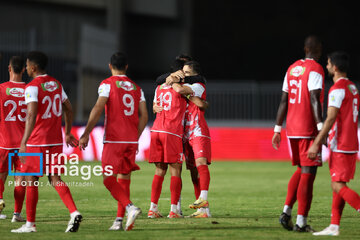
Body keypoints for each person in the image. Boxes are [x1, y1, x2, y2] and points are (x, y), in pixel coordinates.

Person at [11, 51, 81, 233]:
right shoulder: (56, 84)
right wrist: (67, 132)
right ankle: (74, 212)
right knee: (55, 178)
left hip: (36, 141)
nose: (25, 68)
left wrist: (24, 141)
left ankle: (30, 224)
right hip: (55, 140)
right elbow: (69, 108)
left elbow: (31, 115)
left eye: (27, 65)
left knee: (30, 180)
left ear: (33, 68)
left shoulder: (32, 87)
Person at [79, 52, 148, 231]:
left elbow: (98, 107)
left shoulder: (107, 84)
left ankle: (130, 207)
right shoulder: (137, 88)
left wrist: (86, 133)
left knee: (108, 179)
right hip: (130, 141)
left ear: (110, 66)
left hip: (114, 139)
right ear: (126, 67)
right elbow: (145, 116)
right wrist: (135, 137)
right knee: (124, 179)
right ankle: (119, 221)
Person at [272, 35, 325, 232]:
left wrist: (277, 129)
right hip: (308, 128)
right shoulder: (316, 69)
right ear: (319, 50)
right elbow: (314, 98)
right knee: (309, 173)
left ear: (305, 49)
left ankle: (286, 211)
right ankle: (301, 222)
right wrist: (321, 128)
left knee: (301, 169)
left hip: (291, 129)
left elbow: (284, 100)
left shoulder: (292, 68)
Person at [308, 51, 360, 236]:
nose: (327, 66)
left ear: (335, 67)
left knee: (337, 185)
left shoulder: (337, 89)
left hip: (341, 144)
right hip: (351, 142)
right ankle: (334, 226)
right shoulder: (352, 87)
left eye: (329, 64)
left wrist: (316, 142)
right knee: (338, 183)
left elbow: (330, 118)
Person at [166, 61, 211, 218]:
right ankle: (203, 211)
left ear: (194, 75)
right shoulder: (191, 88)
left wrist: (172, 80)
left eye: (186, 73)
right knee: (193, 172)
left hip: (198, 129)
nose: (183, 75)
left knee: (201, 164)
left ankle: (203, 200)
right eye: (182, 73)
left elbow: (179, 90)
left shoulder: (198, 85)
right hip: (185, 132)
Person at [147, 64, 188, 219]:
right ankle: (174, 210)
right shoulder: (182, 89)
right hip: (171, 132)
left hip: (156, 130)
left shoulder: (159, 89)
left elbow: (154, 107)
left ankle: (153, 209)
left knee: (159, 171)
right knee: (176, 170)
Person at [0, 56, 27, 222]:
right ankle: (17, 214)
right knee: (21, 180)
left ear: (9, 68)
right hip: (26, 144)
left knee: (1, 176)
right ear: (24, 69)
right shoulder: (31, 89)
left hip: (4, 141)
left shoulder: (1, 89)